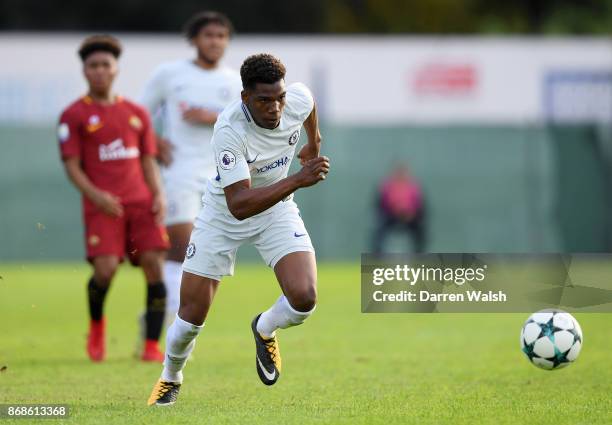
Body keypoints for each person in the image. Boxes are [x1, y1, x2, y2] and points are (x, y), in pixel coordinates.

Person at [147, 53, 330, 406]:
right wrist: (298, 179)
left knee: (305, 298)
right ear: (245, 97)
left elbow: (308, 104)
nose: (275, 108)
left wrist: (314, 141)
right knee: (190, 318)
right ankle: (171, 376)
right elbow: (239, 204)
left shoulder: (296, 100)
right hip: (224, 215)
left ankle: (264, 327)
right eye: (264, 100)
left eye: (279, 98)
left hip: (276, 208)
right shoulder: (229, 130)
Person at [57, 35, 169, 363]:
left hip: (141, 203)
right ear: (85, 71)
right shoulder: (74, 114)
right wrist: (96, 196)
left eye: (106, 64)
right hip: (102, 205)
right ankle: (96, 327)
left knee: (154, 268)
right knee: (105, 271)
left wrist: (159, 194)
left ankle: (150, 345)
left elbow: (148, 160)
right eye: (93, 65)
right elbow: (72, 166)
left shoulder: (136, 113)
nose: (100, 71)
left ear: (116, 68)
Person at [139, 11, 242, 334]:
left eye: (221, 36)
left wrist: (212, 116)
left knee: (208, 254)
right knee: (181, 247)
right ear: (195, 40)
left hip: (221, 177)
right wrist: (154, 141)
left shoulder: (234, 82)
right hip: (179, 172)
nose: (215, 41)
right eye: (209, 35)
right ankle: (169, 324)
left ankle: (168, 319)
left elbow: (248, 126)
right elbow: (137, 116)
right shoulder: (170, 74)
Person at [372, 165, 426, 253]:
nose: (401, 175)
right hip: (391, 217)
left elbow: (420, 206)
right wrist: (394, 211)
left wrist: (412, 214)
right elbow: (380, 204)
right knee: (379, 232)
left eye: (403, 172)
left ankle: (418, 256)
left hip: (410, 218)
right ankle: (377, 257)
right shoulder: (387, 186)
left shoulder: (413, 187)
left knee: (420, 232)